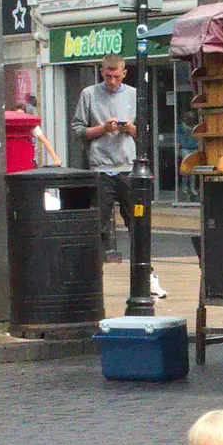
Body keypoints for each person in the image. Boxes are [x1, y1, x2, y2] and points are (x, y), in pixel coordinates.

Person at [70, 53, 165, 296]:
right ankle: (88, 280)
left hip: (128, 169)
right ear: (102, 72)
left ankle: (148, 277)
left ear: (124, 73)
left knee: (138, 225)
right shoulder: (89, 94)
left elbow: (143, 132)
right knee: (96, 227)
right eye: (108, 75)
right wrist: (103, 128)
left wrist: (130, 128)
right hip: (101, 168)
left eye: (116, 76)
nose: (112, 81)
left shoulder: (134, 94)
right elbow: (78, 130)